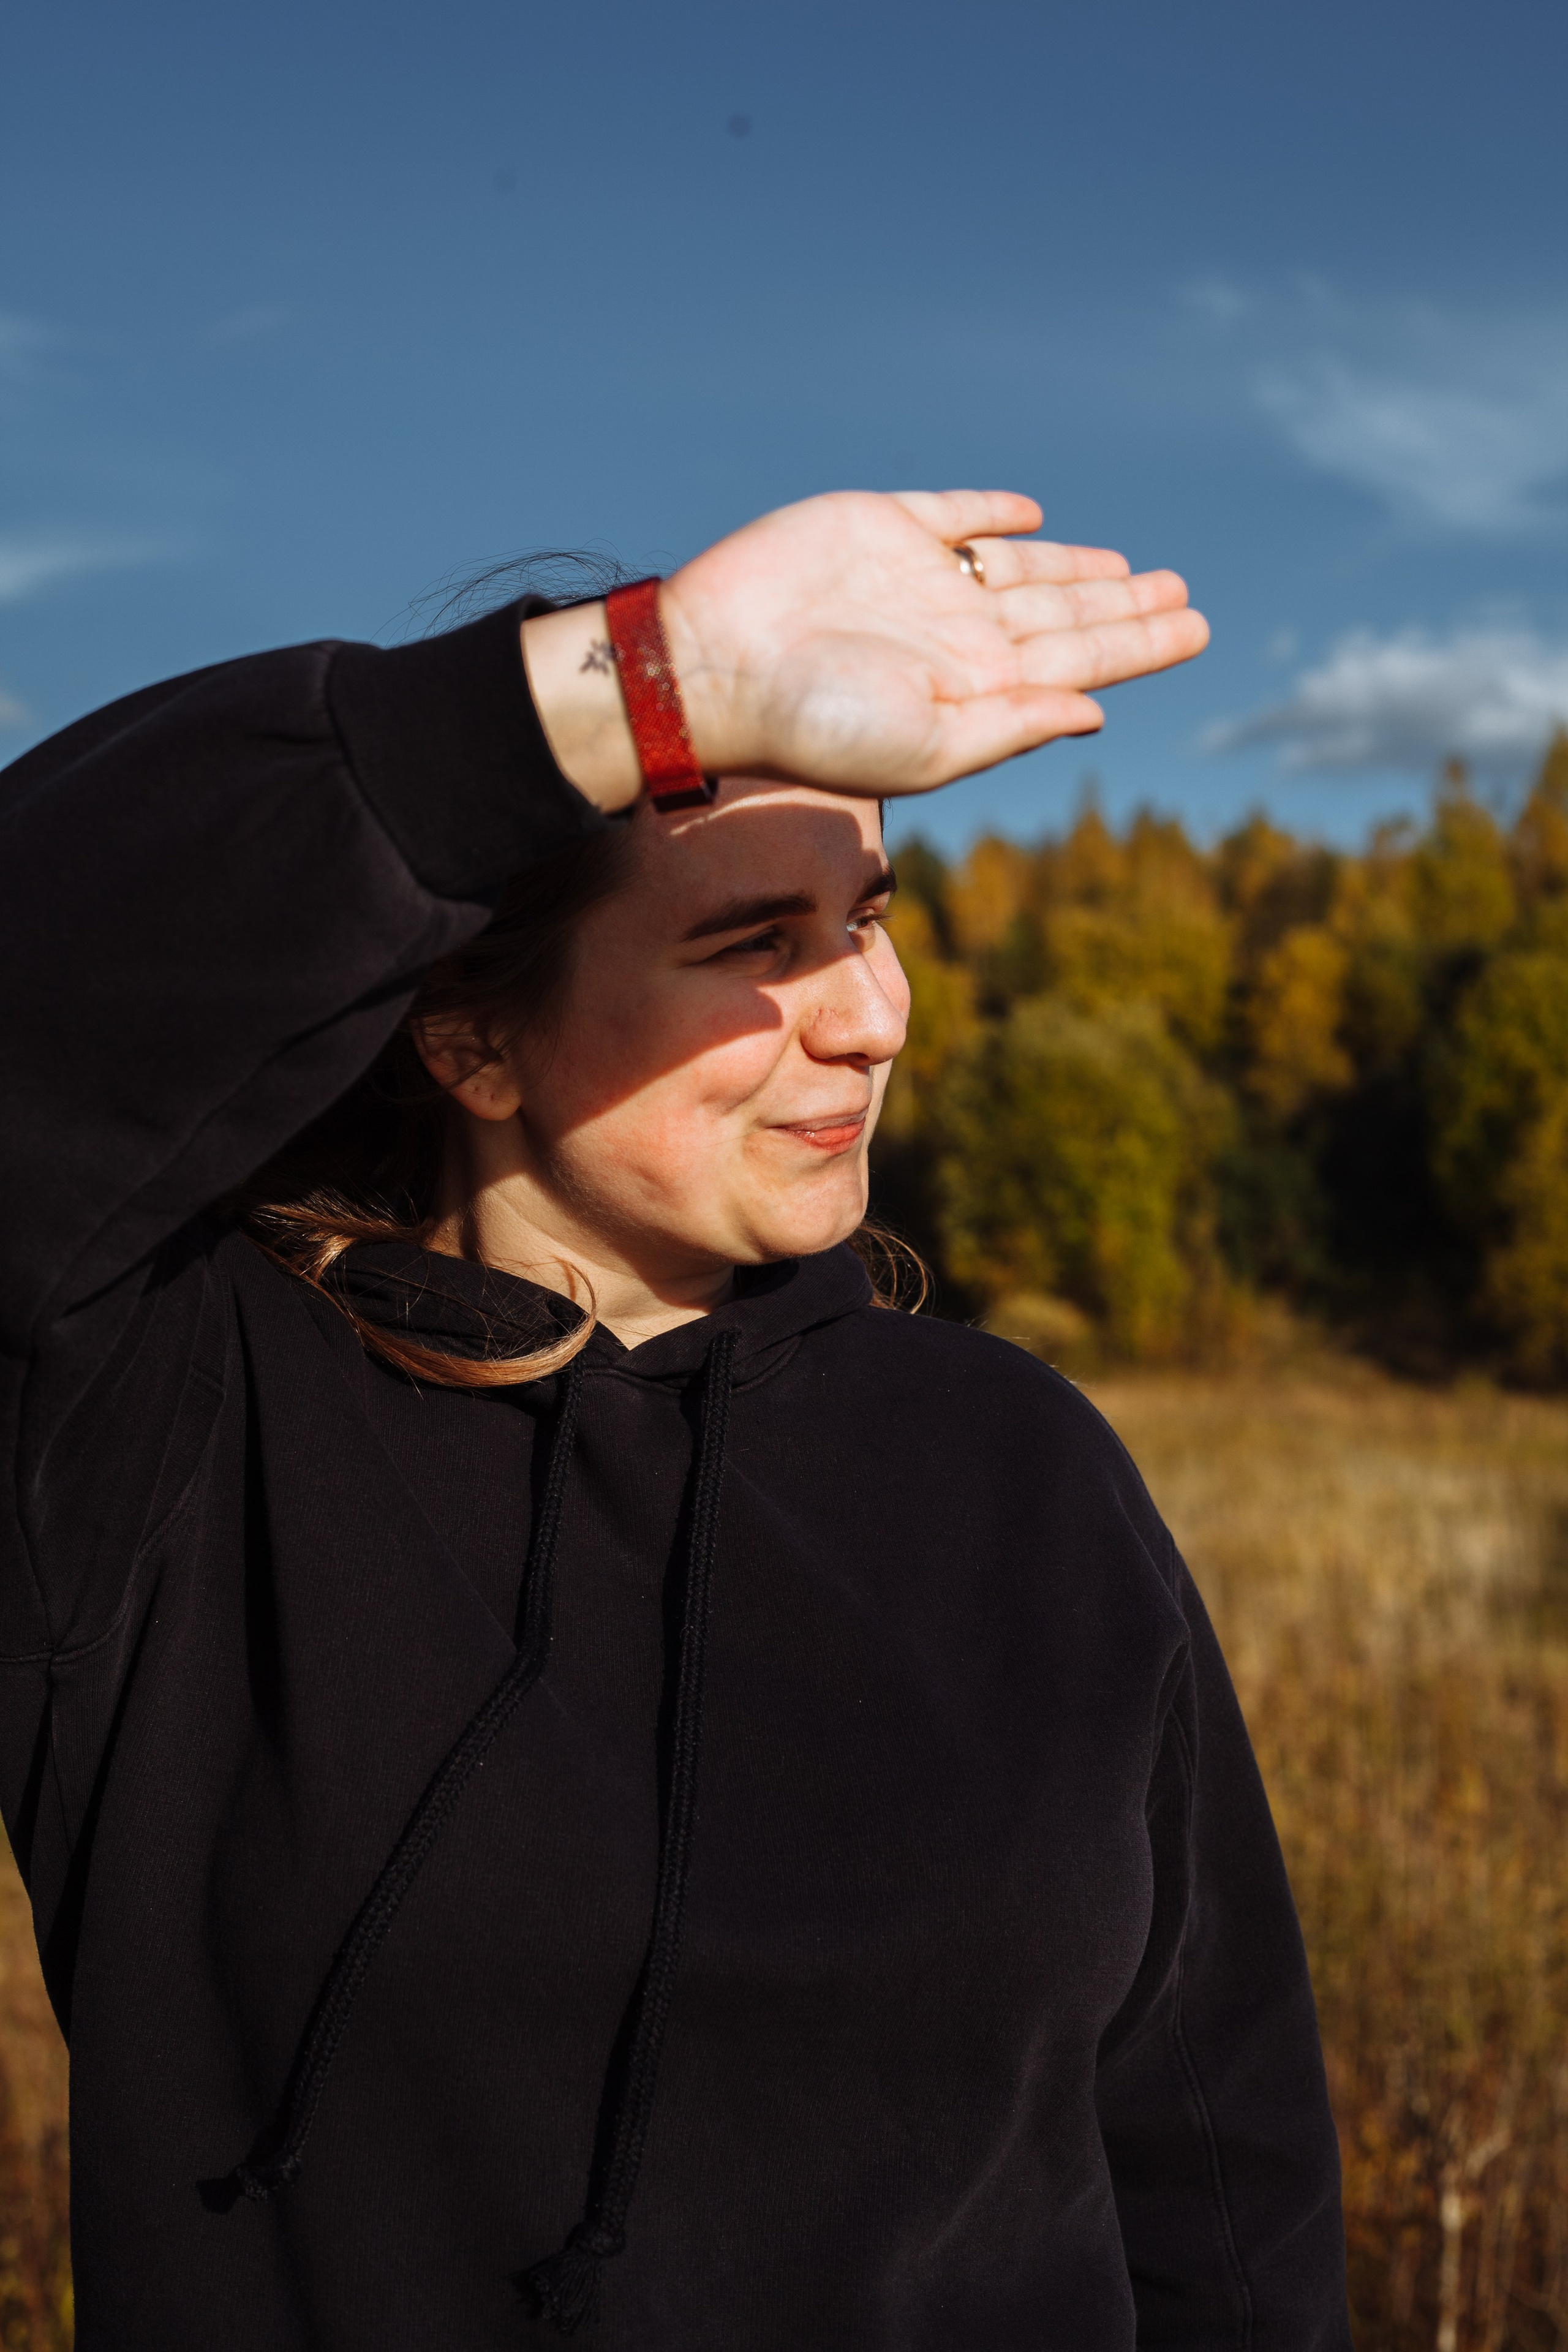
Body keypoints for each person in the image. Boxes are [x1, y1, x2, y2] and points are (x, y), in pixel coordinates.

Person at [0, 489, 1350, 2350]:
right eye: (756, 945)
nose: (872, 1016)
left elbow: (1222, 2168)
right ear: (469, 1038)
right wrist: (654, 685)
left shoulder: (1020, 1467)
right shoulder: (167, 1434)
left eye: (869, 920)